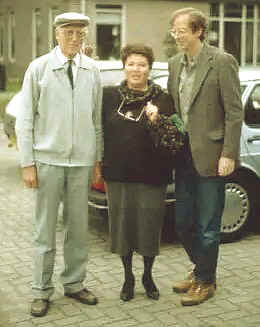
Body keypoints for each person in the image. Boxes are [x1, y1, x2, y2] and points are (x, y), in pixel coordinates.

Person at [15, 12, 103, 317]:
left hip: (81, 162)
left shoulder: (92, 70)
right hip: (48, 161)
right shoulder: (38, 68)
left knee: (78, 228)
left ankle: (75, 283)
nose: (75, 39)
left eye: (80, 34)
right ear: (57, 34)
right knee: (45, 229)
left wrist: (97, 159)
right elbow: (25, 119)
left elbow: (97, 119)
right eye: (69, 33)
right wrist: (28, 163)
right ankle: (41, 290)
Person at [167, 7, 243, 306]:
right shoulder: (174, 64)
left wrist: (229, 153)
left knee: (208, 226)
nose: (176, 36)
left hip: (212, 155)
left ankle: (205, 281)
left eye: (181, 31)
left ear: (198, 31)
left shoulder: (221, 62)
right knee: (183, 222)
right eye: (174, 31)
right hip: (183, 156)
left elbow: (234, 112)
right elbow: (175, 110)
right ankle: (202, 270)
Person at [102, 44, 181, 302]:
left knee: (148, 229)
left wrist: (158, 120)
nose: (136, 69)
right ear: (124, 65)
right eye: (131, 64)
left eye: (142, 64)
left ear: (149, 68)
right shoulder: (109, 96)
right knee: (122, 230)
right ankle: (128, 277)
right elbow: (99, 131)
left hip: (152, 175)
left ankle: (147, 275)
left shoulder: (163, 98)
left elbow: (174, 140)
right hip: (118, 174)